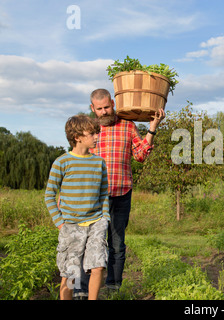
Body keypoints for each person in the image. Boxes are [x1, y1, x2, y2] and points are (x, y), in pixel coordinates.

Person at [73, 88, 165, 299]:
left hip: (121, 193)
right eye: (99, 109)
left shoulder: (127, 126)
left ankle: (113, 287)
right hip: (92, 197)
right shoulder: (89, 131)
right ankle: (80, 289)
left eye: (107, 107)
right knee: (86, 243)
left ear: (113, 103)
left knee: (116, 244)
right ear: (92, 109)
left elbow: (141, 155)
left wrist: (152, 128)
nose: (104, 112)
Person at [45, 114, 110, 300]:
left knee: (98, 266)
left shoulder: (99, 163)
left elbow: (103, 193)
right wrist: (60, 223)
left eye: (97, 133)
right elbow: (49, 195)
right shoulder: (62, 163)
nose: (96, 137)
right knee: (71, 273)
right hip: (71, 226)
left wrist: (105, 218)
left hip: (96, 223)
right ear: (77, 137)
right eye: (92, 133)